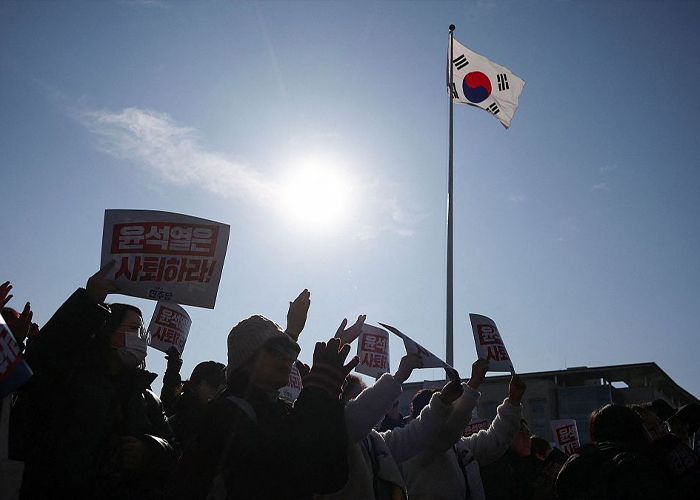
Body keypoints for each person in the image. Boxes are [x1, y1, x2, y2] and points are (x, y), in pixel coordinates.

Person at [12, 263, 177, 500]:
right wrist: (89, 301)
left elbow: (173, 451)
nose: (140, 339)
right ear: (106, 332)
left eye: (142, 333)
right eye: (133, 329)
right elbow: (44, 359)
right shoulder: (70, 377)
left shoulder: (148, 398)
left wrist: (149, 449)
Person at [169, 314, 357, 500]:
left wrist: (331, 400)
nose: (286, 359)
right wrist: (317, 394)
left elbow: (331, 478)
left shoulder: (282, 409)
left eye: (290, 353)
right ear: (245, 360)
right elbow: (281, 472)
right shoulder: (224, 413)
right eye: (275, 350)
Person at [316, 351, 464, 500]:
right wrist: (398, 377)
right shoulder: (330, 436)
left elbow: (413, 437)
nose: (359, 402)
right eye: (354, 398)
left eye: (362, 395)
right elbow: (354, 418)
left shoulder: (375, 440)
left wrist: (442, 403)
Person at [402, 360, 525, 500]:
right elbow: (446, 433)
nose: (452, 411)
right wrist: (473, 384)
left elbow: (494, 441)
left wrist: (513, 402)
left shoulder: (459, 447)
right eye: (446, 405)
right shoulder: (414, 450)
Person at [556, 403, 670, 500]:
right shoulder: (634, 466)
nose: (663, 432)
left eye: (661, 426)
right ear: (637, 431)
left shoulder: (574, 466)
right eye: (652, 429)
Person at [479, 418, 538, 500]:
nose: (527, 439)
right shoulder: (497, 469)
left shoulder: (531, 464)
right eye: (520, 434)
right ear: (506, 437)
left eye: (528, 434)